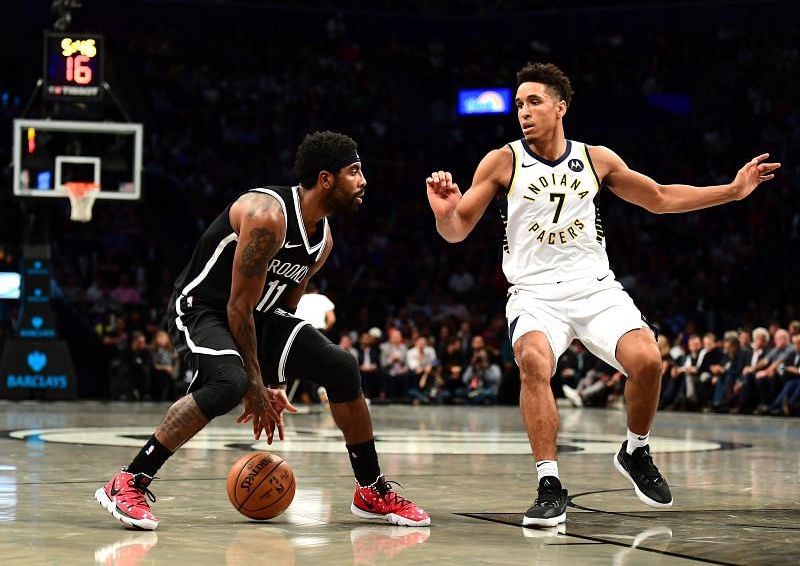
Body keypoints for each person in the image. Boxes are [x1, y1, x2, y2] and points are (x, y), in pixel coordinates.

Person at [425, 62, 780, 528]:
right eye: (518, 105)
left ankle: (635, 450)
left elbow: (660, 196)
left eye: (534, 102)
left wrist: (733, 192)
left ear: (560, 106)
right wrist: (444, 213)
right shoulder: (502, 160)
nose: (523, 112)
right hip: (534, 294)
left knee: (649, 361)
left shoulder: (596, 159)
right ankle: (549, 485)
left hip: (595, 289)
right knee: (533, 362)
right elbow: (456, 231)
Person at [96, 131, 429, 530]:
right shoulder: (266, 216)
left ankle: (371, 490)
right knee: (228, 384)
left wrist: (274, 379)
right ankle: (129, 479)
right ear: (326, 179)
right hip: (204, 309)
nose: (363, 181)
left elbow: (283, 311)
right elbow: (237, 307)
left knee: (341, 366)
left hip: (257, 315)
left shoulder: (321, 239)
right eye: (354, 172)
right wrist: (255, 384)